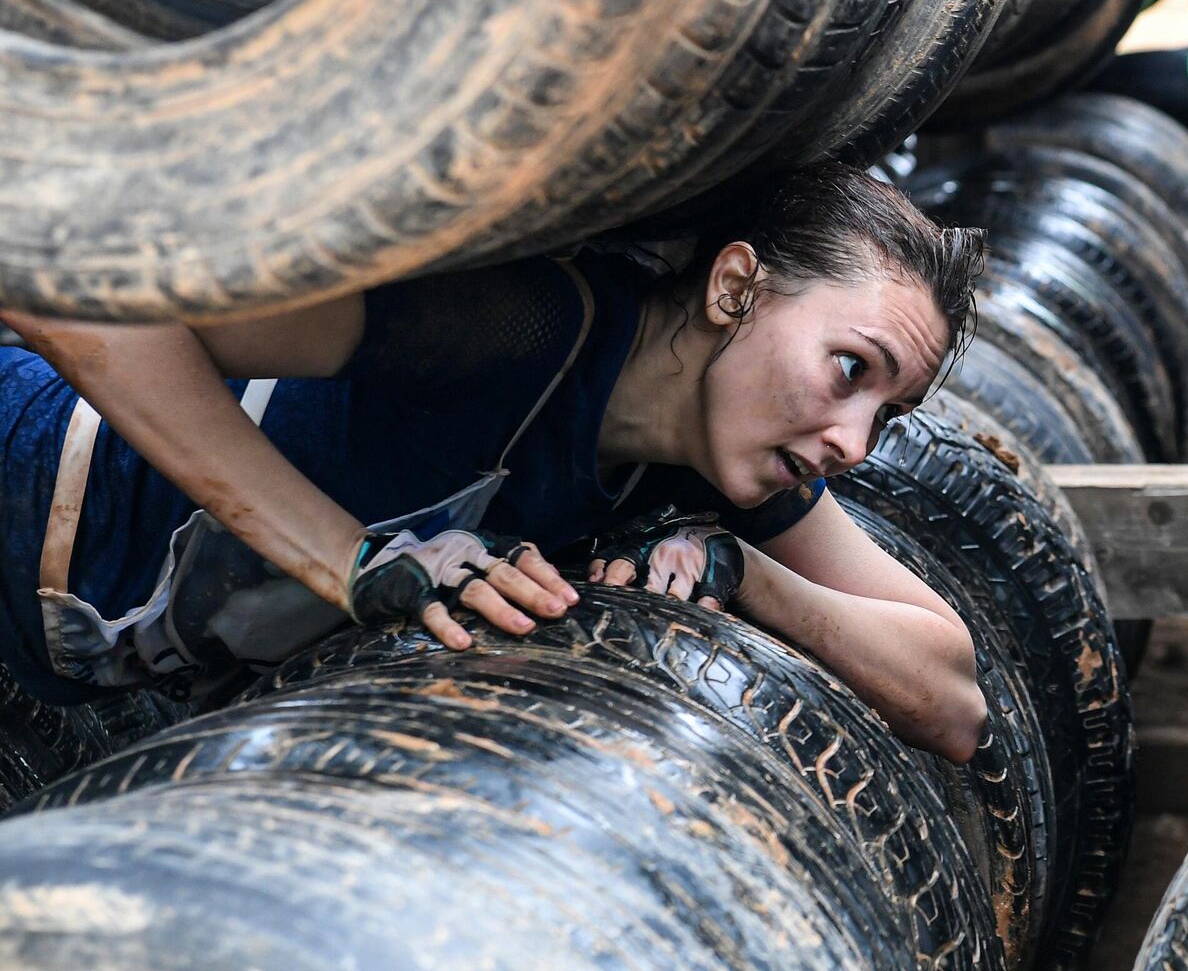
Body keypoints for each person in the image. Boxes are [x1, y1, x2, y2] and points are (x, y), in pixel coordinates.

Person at [0, 163, 990, 764]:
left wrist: (747, 576)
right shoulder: (523, 327)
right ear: (735, 288)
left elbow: (951, 700)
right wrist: (349, 560)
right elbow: (67, 289)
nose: (853, 445)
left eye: (887, 413)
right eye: (851, 369)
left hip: (69, 660)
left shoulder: (714, 466)